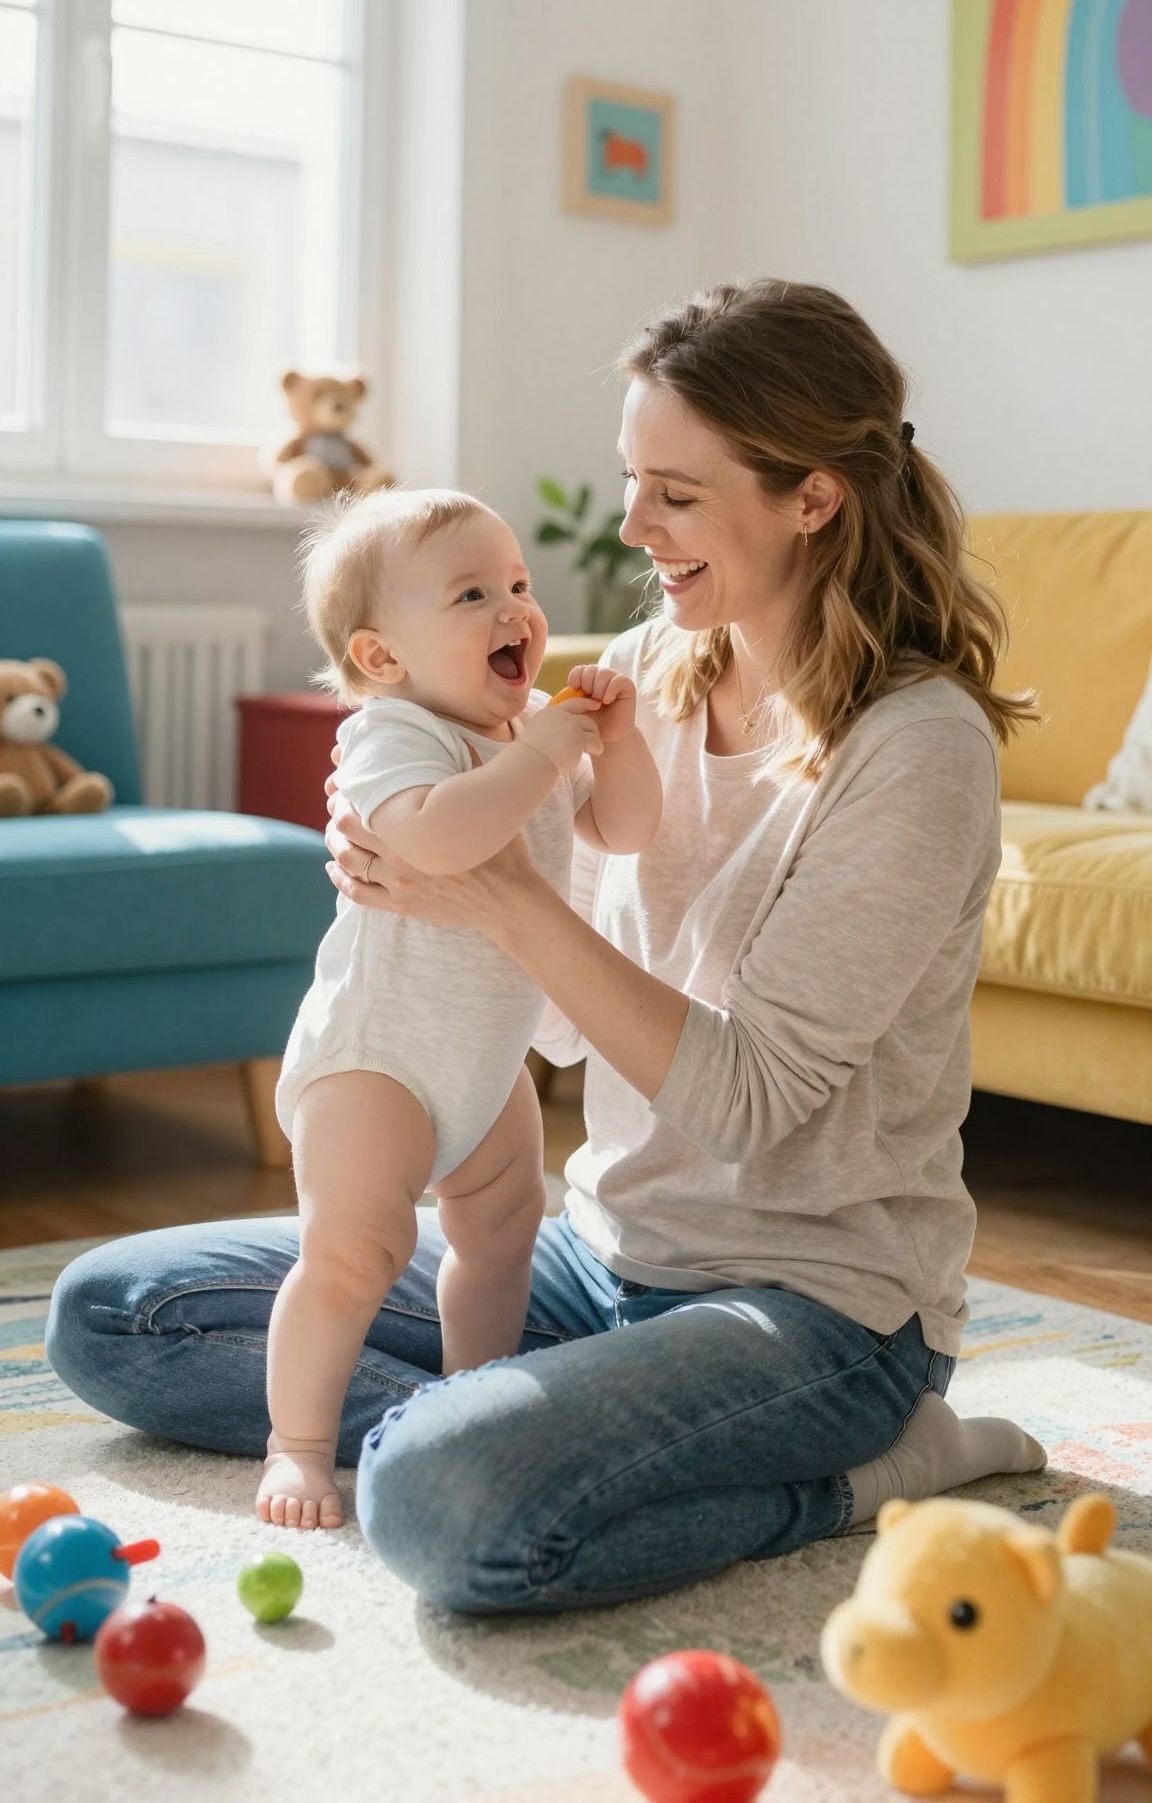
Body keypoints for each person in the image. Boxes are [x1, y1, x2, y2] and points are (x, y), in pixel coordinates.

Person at [46, 279, 1046, 1616]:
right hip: (598, 1249)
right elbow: (562, 1019)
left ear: (813, 497)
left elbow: (747, 1103)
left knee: (445, 1499)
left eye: (675, 494)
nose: (632, 527)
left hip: (812, 1304)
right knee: (116, 1311)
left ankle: (868, 1468)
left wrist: (501, 896)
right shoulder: (646, 671)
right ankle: (520, 1429)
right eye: (632, 480)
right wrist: (406, 855)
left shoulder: (916, 750)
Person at [258, 488, 661, 1528]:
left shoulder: (525, 735)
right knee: (354, 1254)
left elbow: (626, 830)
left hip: (486, 1067)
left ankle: (469, 1402)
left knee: (502, 1232)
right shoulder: (393, 733)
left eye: (517, 583)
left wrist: (613, 744)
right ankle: (296, 1445)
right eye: (472, 594)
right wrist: (546, 753)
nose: (514, 608)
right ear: (382, 656)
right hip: (377, 1062)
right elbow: (437, 840)